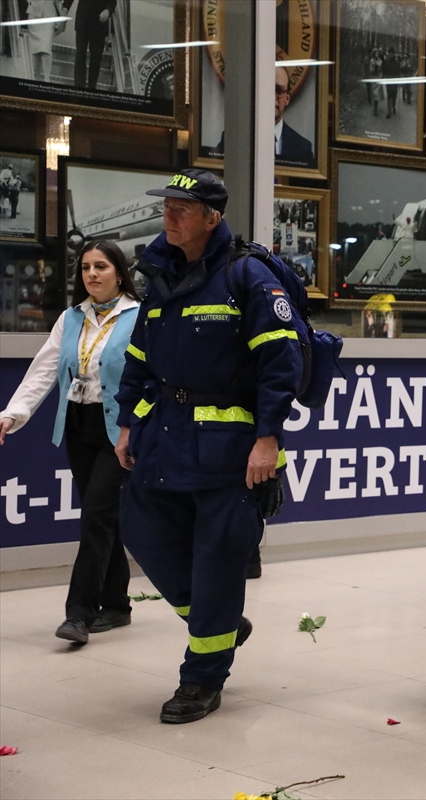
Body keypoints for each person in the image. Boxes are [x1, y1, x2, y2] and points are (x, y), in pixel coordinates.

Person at [114, 169, 305, 724]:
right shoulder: (160, 274)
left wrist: (268, 438)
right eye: (166, 207)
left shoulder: (247, 276)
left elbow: (281, 364)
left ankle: (201, 680)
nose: (169, 216)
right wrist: (127, 423)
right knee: (142, 531)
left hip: (230, 450)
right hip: (163, 436)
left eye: (182, 208)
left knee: (218, 562)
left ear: (212, 218)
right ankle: (217, 622)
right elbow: (139, 358)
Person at [1, 240, 140, 644]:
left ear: (120, 273)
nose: (92, 274)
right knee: (103, 517)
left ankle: (79, 613)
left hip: (120, 428)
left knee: (96, 516)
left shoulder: (140, 316)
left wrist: (139, 425)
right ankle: (117, 604)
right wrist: (14, 413)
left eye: (101, 267)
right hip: (79, 424)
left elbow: (149, 377)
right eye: (85, 268)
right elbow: (45, 369)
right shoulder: (71, 317)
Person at [215, 68, 313, 164]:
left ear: (287, 98)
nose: (272, 97)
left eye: (278, 91)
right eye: (266, 89)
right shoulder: (233, 138)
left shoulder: (303, 148)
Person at [61, 0, 115, 91]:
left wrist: (108, 10)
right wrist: (65, 8)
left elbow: (113, 2)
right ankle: (78, 88)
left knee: (96, 58)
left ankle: (91, 89)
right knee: (80, 55)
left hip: (99, 22)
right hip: (83, 21)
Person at [382, 46, 401, 119]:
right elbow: (384, 71)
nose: (391, 54)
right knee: (389, 96)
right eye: (389, 53)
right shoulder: (386, 62)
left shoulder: (397, 62)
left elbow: (399, 73)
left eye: (392, 53)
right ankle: (388, 112)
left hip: (395, 82)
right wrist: (384, 77)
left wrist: (399, 82)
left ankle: (393, 106)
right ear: (388, 54)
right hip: (388, 81)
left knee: (394, 96)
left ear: (394, 54)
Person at [366, 48, 384, 117]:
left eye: (377, 53)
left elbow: (381, 67)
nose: (377, 54)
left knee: (377, 94)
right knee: (375, 93)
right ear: (374, 54)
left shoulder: (380, 60)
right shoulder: (372, 60)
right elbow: (371, 70)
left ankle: (376, 107)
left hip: (379, 78)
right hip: (374, 78)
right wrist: (374, 69)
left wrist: (380, 70)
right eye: (376, 53)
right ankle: (375, 108)